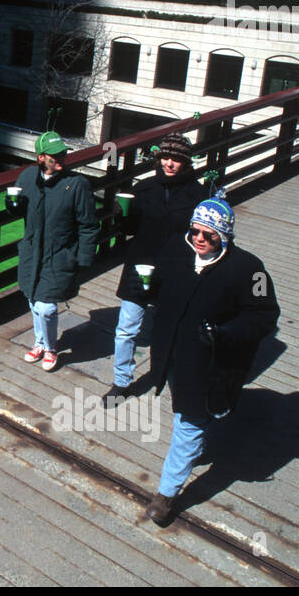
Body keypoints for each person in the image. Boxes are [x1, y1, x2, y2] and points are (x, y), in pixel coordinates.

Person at [144, 197, 279, 527]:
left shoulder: (250, 269)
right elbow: (158, 285)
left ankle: (166, 493)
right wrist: (144, 288)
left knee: (189, 424)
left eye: (210, 234)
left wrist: (226, 332)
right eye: (195, 230)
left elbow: (265, 315)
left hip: (211, 363)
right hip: (171, 356)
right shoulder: (177, 250)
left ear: (226, 237)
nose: (200, 239)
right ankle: (194, 440)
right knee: (184, 413)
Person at [108, 132, 204, 400]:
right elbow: (128, 230)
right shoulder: (144, 189)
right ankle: (121, 383)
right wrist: (121, 214)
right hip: (140, 267)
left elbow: (203, 237)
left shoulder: (197, 194)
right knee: (127, 328)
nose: (169, 164)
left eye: (175, 159)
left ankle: (162, 374)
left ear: (186, 162)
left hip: (176, 270)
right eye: (165, 157)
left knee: (169, 328)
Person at [6, 131, 101, 372]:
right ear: (40, 157)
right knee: (32, 301)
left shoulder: (77, 185)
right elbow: (17, 212)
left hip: (60, 254)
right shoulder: (26, 177)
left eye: (62, 153)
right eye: (54, 155)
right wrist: (11, 205)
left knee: (47, 307)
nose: (60, 158)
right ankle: (39, 342)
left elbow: (89, 226)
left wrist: (83, 258)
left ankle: (50, 348)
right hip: (30, 252)